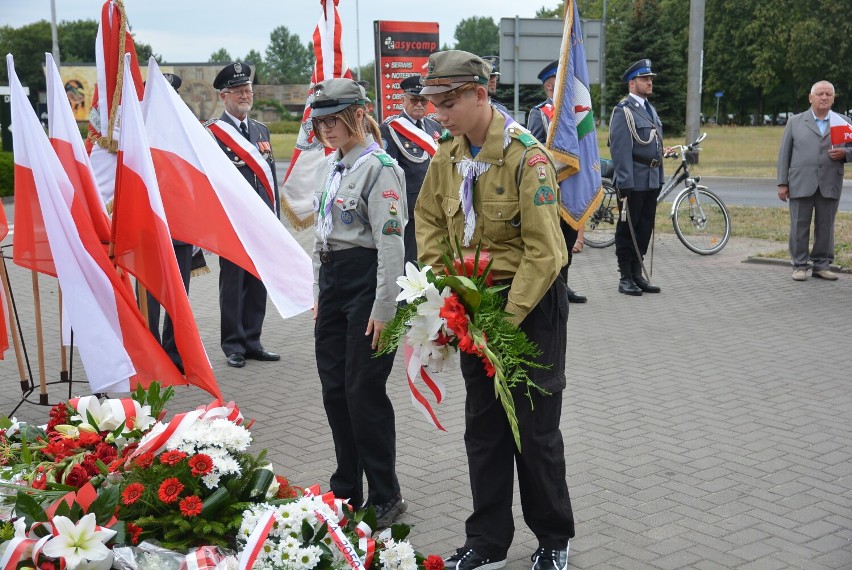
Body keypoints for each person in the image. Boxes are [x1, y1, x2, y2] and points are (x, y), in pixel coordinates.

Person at [416, 50, 574, 570]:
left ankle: (552, 538)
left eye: (448, 101)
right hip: (473, 302)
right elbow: (431, 224)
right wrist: (445, 294)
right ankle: (487, 542)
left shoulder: (527, 158)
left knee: (534, 427)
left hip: (527, 303)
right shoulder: (448, 154)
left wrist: (503, 323)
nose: (439, 113)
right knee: (483, 427)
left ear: (480, 94)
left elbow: (547, 252)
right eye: (434, 102)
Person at [310, 78, 408, 527]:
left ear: (357, 115)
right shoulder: (332, 167)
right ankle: (346, 486)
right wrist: (319, 291)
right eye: (320, 121)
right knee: (334, 390)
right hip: (334, 283)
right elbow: (323, 233)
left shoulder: (379, 167)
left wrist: (385, 309)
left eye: (335, 120)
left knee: (362, 391)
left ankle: (386, 494)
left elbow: (391, 246)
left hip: (368, 284)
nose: (327, 130)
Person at [210, 62, 280, 367]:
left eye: (247, 90)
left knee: (257, 283)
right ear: (224, 96)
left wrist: (275, 219)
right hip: (233, 221)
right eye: (238, 91)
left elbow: (271, 178)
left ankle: (253, 340)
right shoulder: (213, 133)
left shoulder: (261, 130)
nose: (244, 95)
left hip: (261, 221)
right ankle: (233, 345)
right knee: (233, 285)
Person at [144, 72, 195, 373]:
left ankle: (175, 355)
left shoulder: (186, 134)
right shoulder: (137, 133)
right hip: (148, 229)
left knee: (178, 297)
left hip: (180, 228)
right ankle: (150, 355)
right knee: (149, 296)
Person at [777, 80, 851, 281]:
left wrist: (845, 153)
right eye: (820, 94)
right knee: (799, 225)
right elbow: (785, 154)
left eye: (828, 94)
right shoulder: (795, 121)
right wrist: (782, 183)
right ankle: (799, 265)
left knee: (826, 226)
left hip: (830, 182)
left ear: (834, 98)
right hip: (800, 182)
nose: (824, 97)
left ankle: (821, 265)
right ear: (811, 98)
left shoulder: (843, 122)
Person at [527, 60, 587, 304]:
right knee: (552, 240)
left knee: (569, 239)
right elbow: (533, 150)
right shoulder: (540, 113)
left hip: (574, 187)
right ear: (551, 88)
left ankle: (563, 285)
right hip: (552, 188)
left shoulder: (576, 114)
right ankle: (549, 288)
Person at [608, 59, 664, 296]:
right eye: (645, 78)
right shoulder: (623, 111)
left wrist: (660, 177)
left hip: (651, 179)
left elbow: (656, 145)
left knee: (644, 229)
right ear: (632, 83)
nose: (650, 82)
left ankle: (638, 272)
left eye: (650, 78)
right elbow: (620, 149)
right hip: (633, 181)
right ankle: (625, 276)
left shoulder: (649, 109)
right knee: (627, 229)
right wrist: (625, 183)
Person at [379, 75, 442, 265]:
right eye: (414, 100)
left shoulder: (434, 126)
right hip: (411, 209)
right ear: (403, 99)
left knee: (435, 257)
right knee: (412, 261)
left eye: (423, 100)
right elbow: (389, 174)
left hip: (436, 206)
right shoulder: (390, 129)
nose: (419, 105)